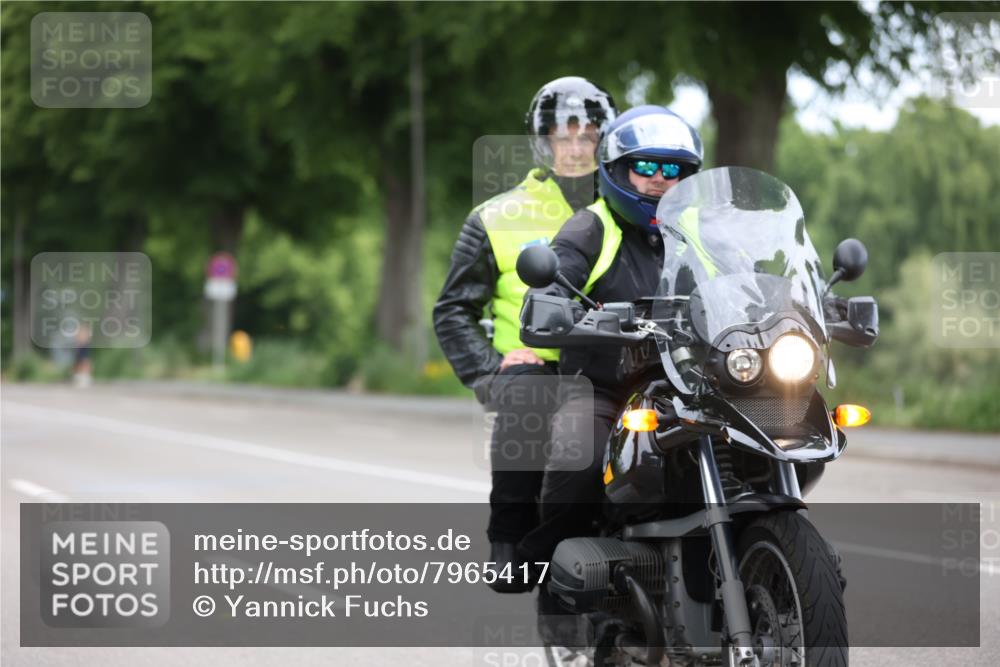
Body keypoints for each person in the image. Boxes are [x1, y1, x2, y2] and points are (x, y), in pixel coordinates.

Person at [432, 77, 617, 592]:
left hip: (620, 360)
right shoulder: (495, 216)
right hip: (540, 367)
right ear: (545, 142)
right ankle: (511, 542)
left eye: (589, 135)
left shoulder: (634, 207)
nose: (578, 147)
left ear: (607, 139)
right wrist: (489, 371)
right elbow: (452, 310)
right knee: (531, 396)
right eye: (565, 136)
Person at [515, 105, 704, 571]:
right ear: (618, 170)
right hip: (606, 388)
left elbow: (747, 281)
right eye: (646, 166)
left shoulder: (699, 233)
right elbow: (553, 285)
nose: (660, 179)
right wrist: (556, 307)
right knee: (581, 453)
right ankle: (554, 573)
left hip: (691, 386)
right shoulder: (592, 227)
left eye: (674, 169)